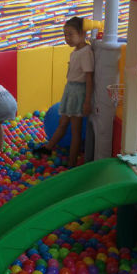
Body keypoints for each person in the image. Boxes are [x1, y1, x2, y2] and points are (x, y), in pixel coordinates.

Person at [36, 17, 94, 167]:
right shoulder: (76, 51)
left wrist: (87, 101)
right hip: (70, 89)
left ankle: (72, 163)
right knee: (62, 123)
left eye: (70, 34)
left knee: (75, 131)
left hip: (78, 92)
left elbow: (89, 77)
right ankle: (48, 148)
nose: (67, 38)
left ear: (83, 34)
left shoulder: (86, 52)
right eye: (65, 35)